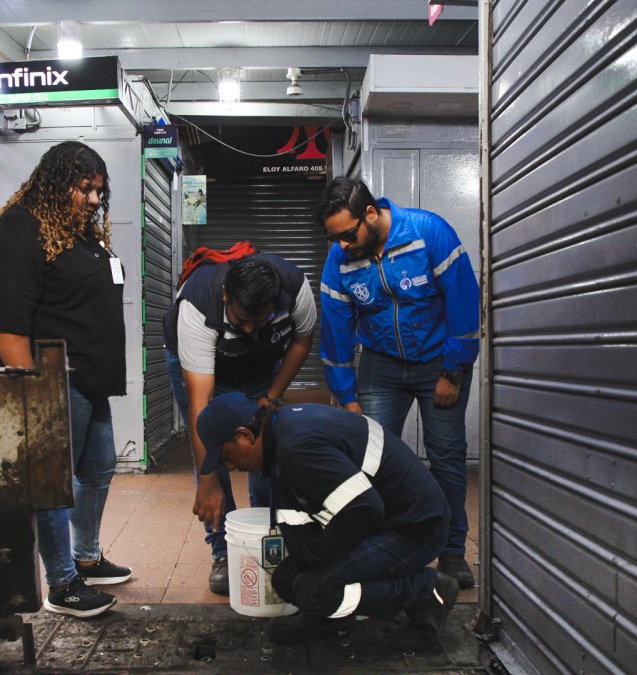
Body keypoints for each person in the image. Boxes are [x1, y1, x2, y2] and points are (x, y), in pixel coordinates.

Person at [0, 141, 132, 617]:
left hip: (90, 377)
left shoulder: (76, 230)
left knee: (99, 466)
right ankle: (62, 584)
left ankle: (85, 555)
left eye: (98, 191)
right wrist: (30, 395)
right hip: (52, 382)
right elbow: (7, 321)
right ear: (54, 182)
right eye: (83, 188)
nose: (91, 199)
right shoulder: (20, 229)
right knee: (53, 483)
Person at [316, 177, 480, 588]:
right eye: (333, 238)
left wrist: (452, 372)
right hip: (380, 367)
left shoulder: (427, 233)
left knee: (445, 458)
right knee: (369, 462)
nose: (342, 246)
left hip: (438, 363)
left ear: (371, 214)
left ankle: (452, 552)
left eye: (348, 235)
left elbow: (463, 301)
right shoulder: (339, 260)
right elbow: (336, 333)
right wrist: (346, 396)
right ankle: (385, 546)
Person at [195, 392, 461, 644]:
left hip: (416, 527)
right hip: (381, 520)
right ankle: (329, 615)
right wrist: (299, 566)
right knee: (291, 582)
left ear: (244, 435)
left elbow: (364, 510)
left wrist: (310, 566)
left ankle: (424, 590)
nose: (230, 467)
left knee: (314, 591)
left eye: (226, 456)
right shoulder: (277, 442)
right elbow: (298, 520)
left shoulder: (298, 447)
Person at [163, 252, 316, 594]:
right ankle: (223, 551)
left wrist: (272, 397)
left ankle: (267, 535)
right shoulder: (197, 306)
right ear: (225, 297)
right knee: (214, 448)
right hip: (200, 365)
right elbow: (202, 410)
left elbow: (302, 341)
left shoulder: (294, 289)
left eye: (258, 321)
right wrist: (206, 479)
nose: (248, 328)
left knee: (266, 444)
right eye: (242, 319)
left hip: (261, 366)